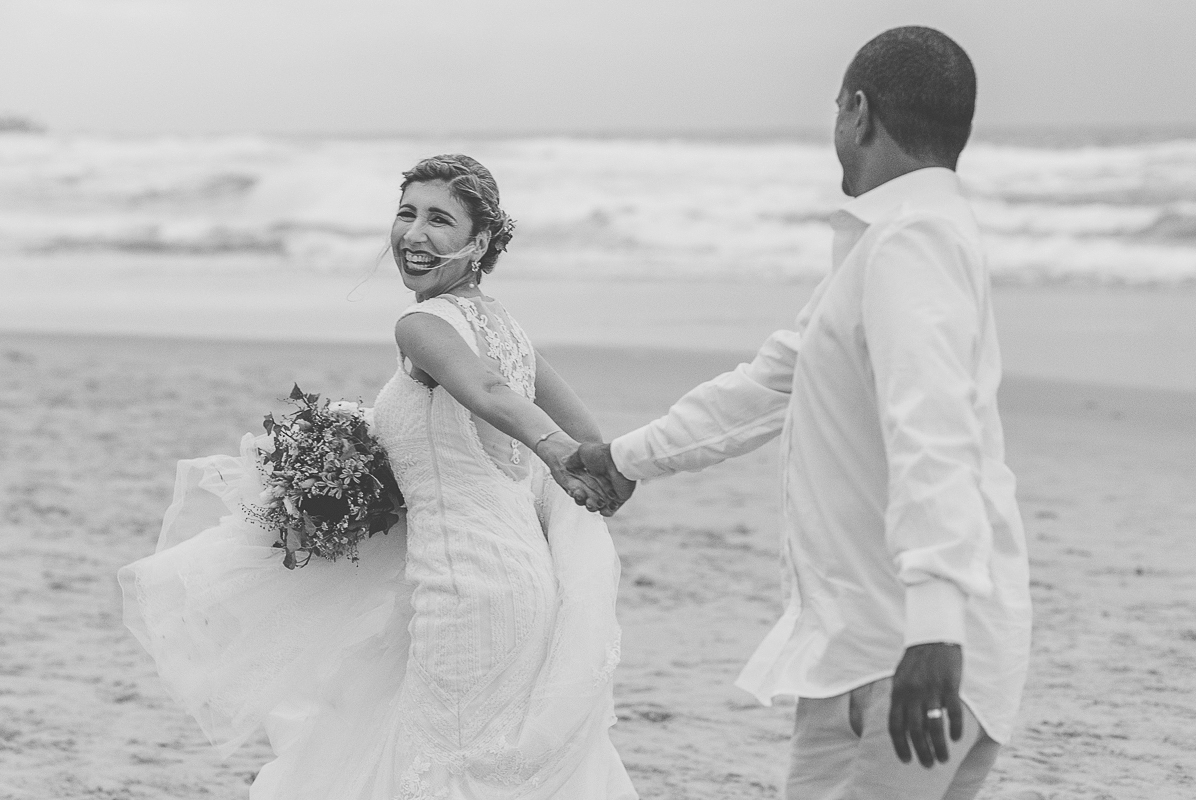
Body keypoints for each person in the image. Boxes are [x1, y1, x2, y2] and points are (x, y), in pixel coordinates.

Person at [568, 27, 1032, 800]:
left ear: (857, 111)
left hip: (906, 650)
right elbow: (767, 386)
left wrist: (935, 622)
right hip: (876, 648)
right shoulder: (891, 245)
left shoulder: (911, 243)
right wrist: (622, 459)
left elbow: (933, 429)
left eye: (836, 114)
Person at [120, 154, 637, 799]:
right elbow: (595, 443)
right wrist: (609, 464)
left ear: (479, 242)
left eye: (439, 220)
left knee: (449, 769)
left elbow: (487, 390)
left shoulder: (422, 325)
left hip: (465, 585)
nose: (414, 234)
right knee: (479, 762)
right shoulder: (505, 327)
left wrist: (556, 451)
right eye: (406, 213)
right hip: (526, 582)